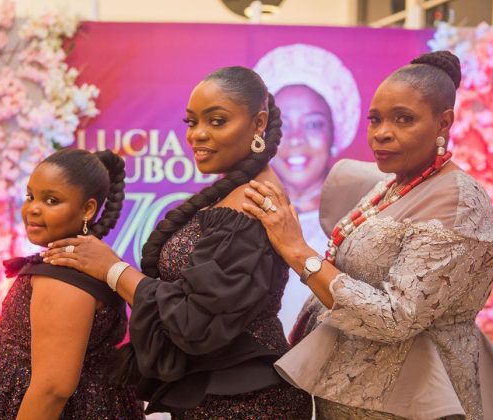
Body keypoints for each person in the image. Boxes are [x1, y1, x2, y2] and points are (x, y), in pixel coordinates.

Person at [243, 51, 493, 419]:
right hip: (349, 398)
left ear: (444, 122)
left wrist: (299, 252)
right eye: (375, 120)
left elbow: (397, 317)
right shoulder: (393, 185)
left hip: (413, 405)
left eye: (403, 119)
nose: (382, 133)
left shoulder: (458, 201)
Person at [41, 66, 311, 418]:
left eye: (217, 121)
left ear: (258, 123)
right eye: (191, 122)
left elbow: (193, 320)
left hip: (245, 404)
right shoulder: (235, 193)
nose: (197, 134)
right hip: (218, 396)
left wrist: (112, 270)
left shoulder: (253, 203)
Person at [0, 149, 144, 419]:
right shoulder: (70, 265)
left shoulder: (64, 278)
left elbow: (53, 389)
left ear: (87, 209)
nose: (33, 208)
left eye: (51, 200)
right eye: (30, 196)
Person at [254, 44, 361, 334]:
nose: (296, 139)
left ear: (334, 134)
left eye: (313, 124)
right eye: (283, 126)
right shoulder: (243, 209)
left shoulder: (360, 220)